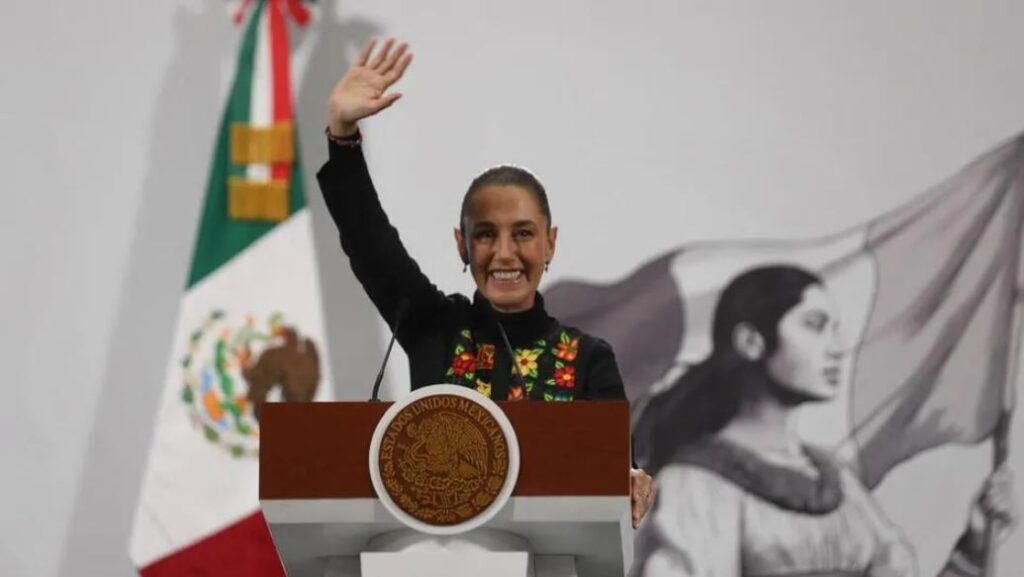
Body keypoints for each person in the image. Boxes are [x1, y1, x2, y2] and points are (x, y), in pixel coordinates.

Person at [316, 37, 655, 527]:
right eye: (485, 235)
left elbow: (613, 474)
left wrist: (629, 478)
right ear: (462, 245)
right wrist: (343, 135)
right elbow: (368, 239)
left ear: (550, 243)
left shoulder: (588, 359)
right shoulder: (434, 327)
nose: (504, 253)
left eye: (523, 234)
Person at [630, 265, 1015, 576]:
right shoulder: (695, 487)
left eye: (835, 329)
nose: (835, 348)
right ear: (751, 341)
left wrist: (973, 546)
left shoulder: (840, 483)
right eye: (815, 325)